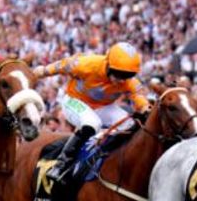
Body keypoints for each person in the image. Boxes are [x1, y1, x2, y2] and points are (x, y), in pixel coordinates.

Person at [35, 42, 151, 185]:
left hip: (103, 107)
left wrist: (145, 108)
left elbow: (139, 97)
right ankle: (61, 165)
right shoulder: (88, 64)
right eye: (119, 74)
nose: (122, 80)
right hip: (74, 101)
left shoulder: (129, 82)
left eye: (127, 75)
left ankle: (108, 159)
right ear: (108, 64)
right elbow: (62, 65)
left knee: (130, 125)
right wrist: (42, 71)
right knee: (92, 123)